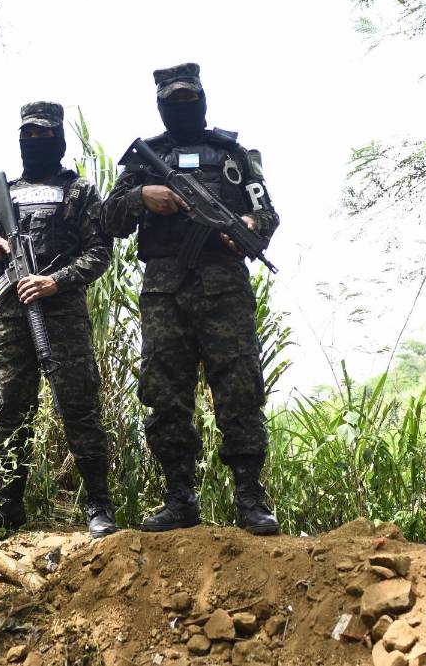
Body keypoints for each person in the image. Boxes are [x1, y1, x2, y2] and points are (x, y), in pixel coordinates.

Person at [100, 62, 281, 535]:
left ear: (202, 98)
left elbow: (267, 215)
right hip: (165, 290)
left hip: (224, 287)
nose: (182, 107)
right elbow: (109, 219)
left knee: (239, 387)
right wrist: (143, 196)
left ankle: (249, 497)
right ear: (160, 105)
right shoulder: (144, 160)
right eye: (173, 101)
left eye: (189, 99)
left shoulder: (233, 154)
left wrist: (248, 227)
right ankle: (179, 498)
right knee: (165, 391)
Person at [0, 101, 117, 539]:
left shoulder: (81, 192)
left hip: (63, 315)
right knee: (10, 407)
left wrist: (54, 282)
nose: (35, 142)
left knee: (79, 408)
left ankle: (98, 506)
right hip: (13, 316)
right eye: (28, 134)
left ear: (59, 139)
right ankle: (6, 506)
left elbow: (100, 253)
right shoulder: (6, 192)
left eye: (43, 135)